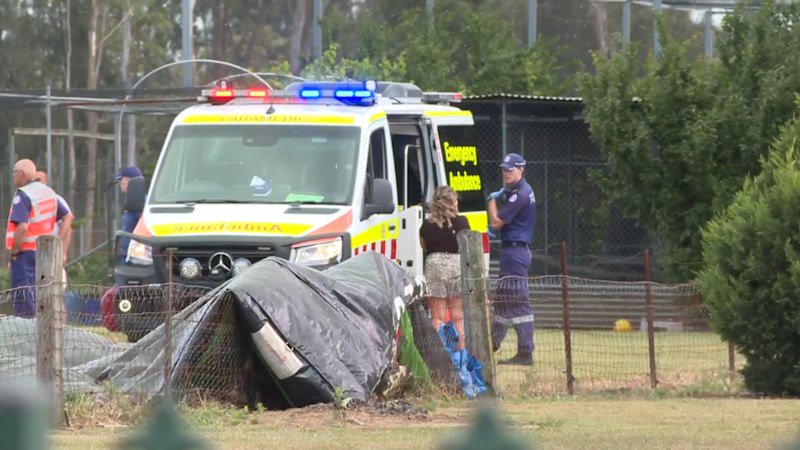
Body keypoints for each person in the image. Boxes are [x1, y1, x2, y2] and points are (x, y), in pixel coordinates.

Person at [486, 152, 537, 366]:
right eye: (504, 170)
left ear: (521, 169)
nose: (505, 173)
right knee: (502, 301)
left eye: (510, 170)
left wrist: (490, 201)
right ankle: (492, 345)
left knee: (518, 302)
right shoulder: (517, 191)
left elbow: (497, 223)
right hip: (512, 252)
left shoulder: (520, 195)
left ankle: (525, 352)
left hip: (516, 253)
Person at [6, 159, 69, 318]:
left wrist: (14, 251)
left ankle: (27, 328)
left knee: (24, 296)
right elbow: (67, 216)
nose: (13, 178)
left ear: (21, 174)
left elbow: (22, 227)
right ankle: (46, 327)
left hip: (25, 254)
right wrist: (57, 242)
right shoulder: (49, 193)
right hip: (45, 252)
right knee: (45, 295)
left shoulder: (23, 195)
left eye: (14, 174)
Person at [419, 186, 471, 350]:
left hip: (434, 266)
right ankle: (461, 353)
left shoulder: (426, 225)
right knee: (458, 316)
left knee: (437, 317)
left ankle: (440, 355)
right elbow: (467, 244)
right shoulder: (462, 222)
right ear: (453, 202)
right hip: (456, 265)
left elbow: (424, 246)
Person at [35, 170, 74, 264]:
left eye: (38, 180)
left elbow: (68, 225)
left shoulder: (55, 199)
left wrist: (62, 252)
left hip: (51, 250)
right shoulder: (27, 200)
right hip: (33, 250)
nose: (36, 183)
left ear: (46, 181)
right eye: (33, 180)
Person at [113, 166, 143, 261]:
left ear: (130, 181)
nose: (120, 183)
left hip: (135, 258)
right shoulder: (130, 201)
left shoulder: (140, 201)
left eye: (122, 179)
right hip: (127, 255)